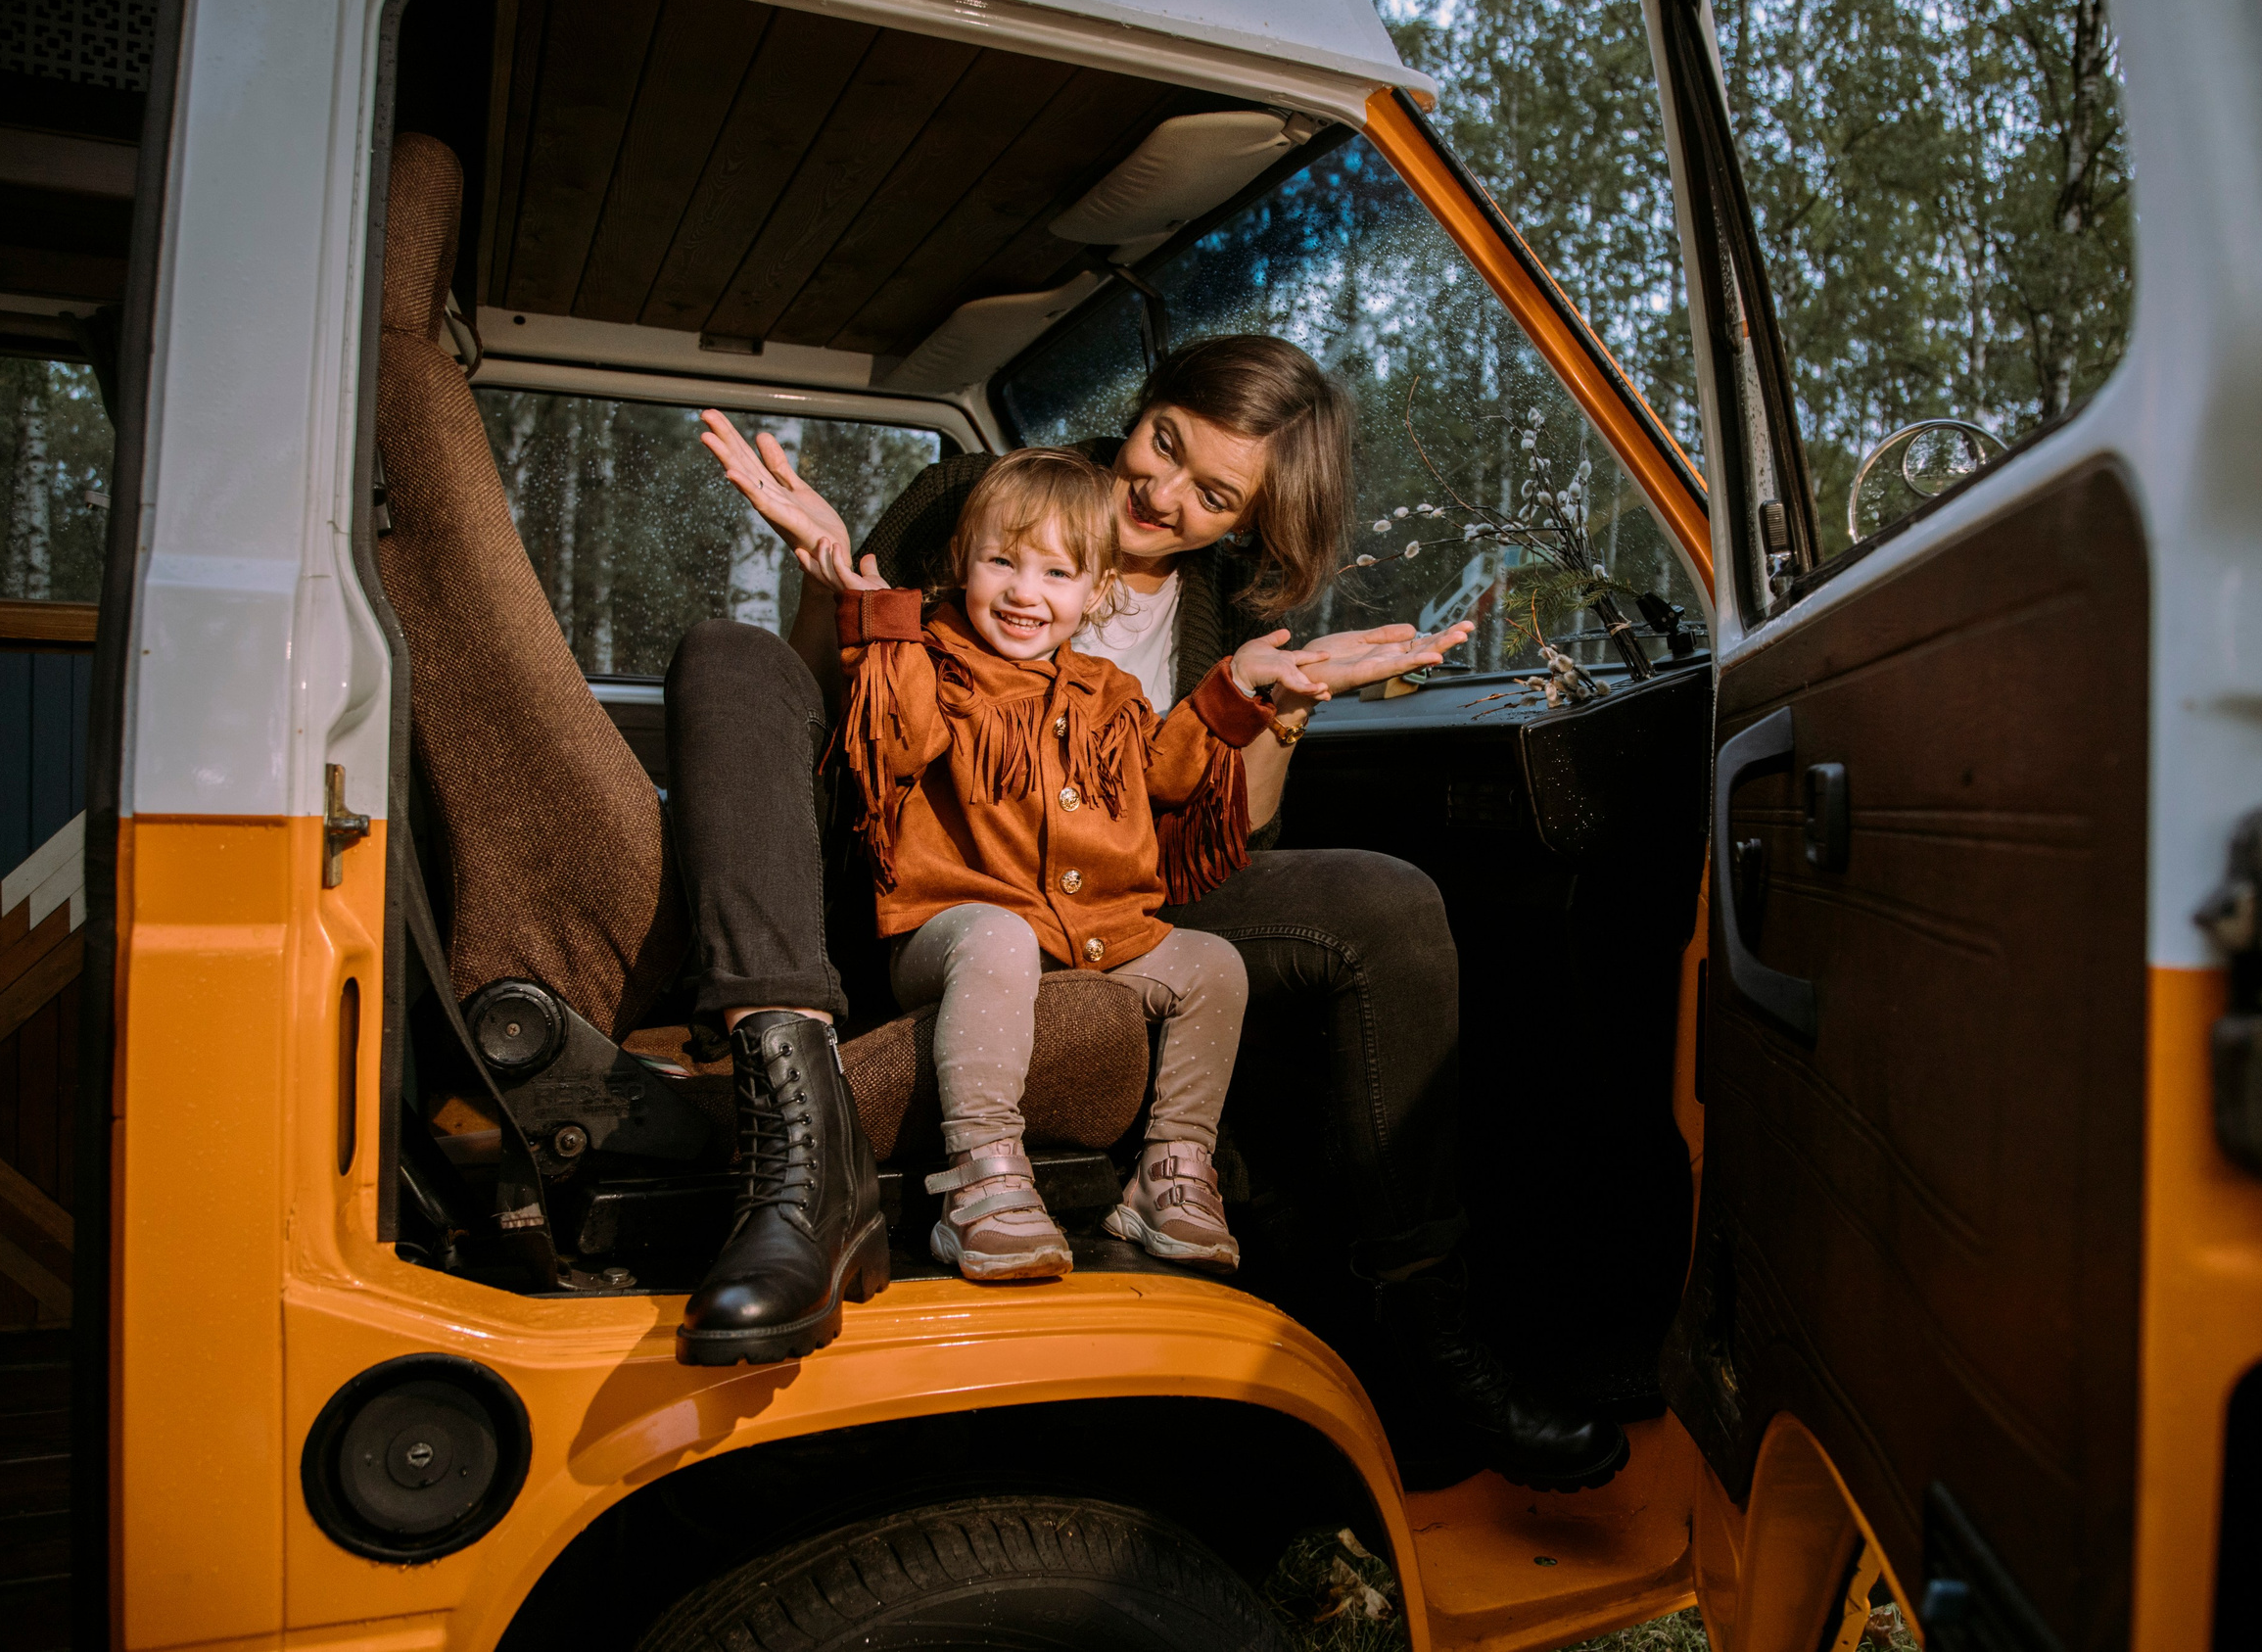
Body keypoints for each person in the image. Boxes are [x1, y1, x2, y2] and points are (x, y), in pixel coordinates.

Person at [677, 335, 1627, 1490]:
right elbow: (846, 739)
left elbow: (1231, 836)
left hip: (1121, 898)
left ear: (1247, 524)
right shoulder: (983, 496)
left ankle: (1422, 1328)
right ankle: (795, 1145)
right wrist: (846, 594)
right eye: (1163, 443)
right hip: (942, 880)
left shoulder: (1223, 603)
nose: (1162, 493)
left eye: (1212, 495)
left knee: (1388, 898)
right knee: (736, 658)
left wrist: (1282, 704)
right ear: (1144, 410)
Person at [829, 447, 1326, 1280]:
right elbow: (901, 736)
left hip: (1092, 934)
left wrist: (1231, 687)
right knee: (999, 939)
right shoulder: (936, 665)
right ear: (962, 564)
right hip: (950, 935)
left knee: (1213, 963)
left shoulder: (1110, 692)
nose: (1026, 593)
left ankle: (1172, 1170)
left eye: (1057, 572)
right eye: (1002, 563)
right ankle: (982, 1177)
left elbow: (1171, 772)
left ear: (1095, 592)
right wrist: (881, 624)